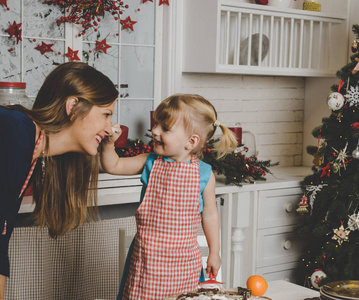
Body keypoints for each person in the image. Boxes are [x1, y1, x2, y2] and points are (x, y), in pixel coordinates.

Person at [0, 62, 119, 299]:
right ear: (73, 105)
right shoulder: (13, 129)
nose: (110, 129)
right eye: (106, 114)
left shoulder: (30, 154)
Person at [101, 94, 237, 300]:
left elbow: (210, 215)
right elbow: (113, 165)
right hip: (147, 263)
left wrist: (214, 252)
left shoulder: (204, 174)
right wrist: (108, 144)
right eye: (156, 124)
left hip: (184, 266)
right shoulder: (150, 162)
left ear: (191, 141)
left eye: (164, 128)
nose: (154, 130)